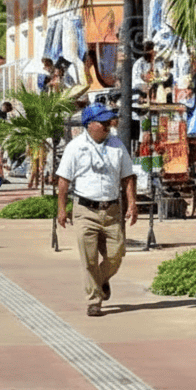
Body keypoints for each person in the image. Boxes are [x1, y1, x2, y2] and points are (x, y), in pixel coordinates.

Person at [55, 103, 138, 317]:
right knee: (88, 258)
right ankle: (94, 300)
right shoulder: (75, 147)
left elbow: (128, 177)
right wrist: (61, 210)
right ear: (89, 125)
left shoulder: (117, 145)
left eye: (108, 121)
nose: (108, 125)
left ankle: (100, 281)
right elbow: (63, 180)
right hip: (85, 209)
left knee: (117, 254)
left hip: (111, 209)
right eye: (103, 122)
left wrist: (132, 203)